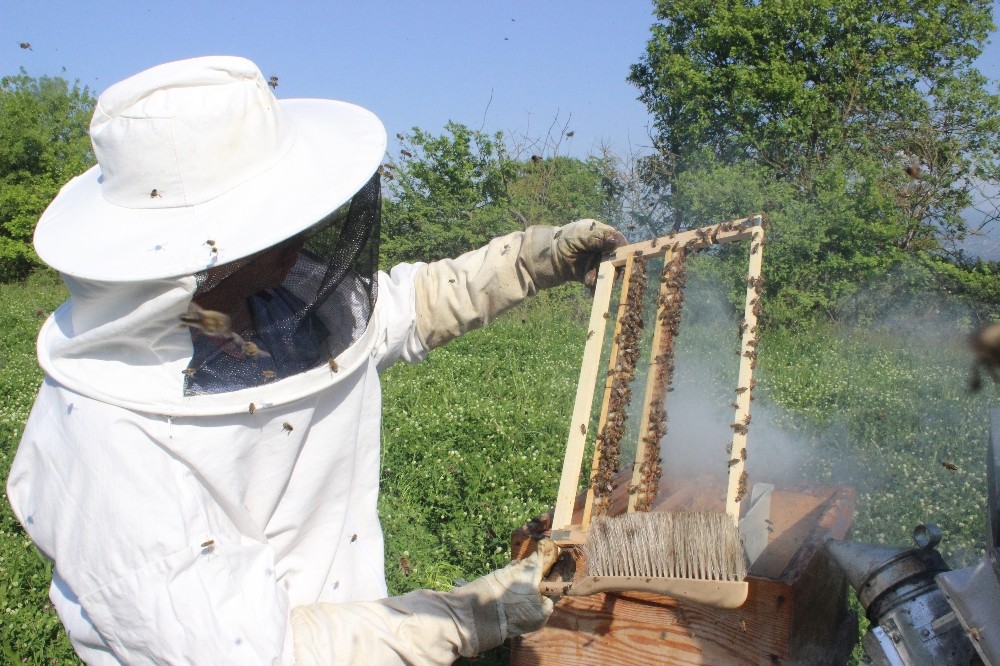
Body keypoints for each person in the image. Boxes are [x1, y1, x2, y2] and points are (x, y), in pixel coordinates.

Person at [5, 56, 626, 664]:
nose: (303, 229)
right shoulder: (111, 447)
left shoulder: (233, 307)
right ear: (202, 249)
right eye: (274, 214)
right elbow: (259, 654)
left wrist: (529, 261)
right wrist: (473, 613)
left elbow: (406, 306)